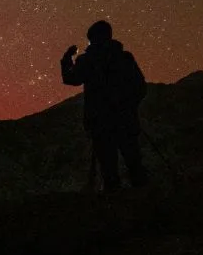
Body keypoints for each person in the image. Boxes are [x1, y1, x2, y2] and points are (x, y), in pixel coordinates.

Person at [61, 20, 148, 190]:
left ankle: (114, 209)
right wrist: (128, 106)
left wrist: (66, 59)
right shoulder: (124, 58)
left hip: (101, 123)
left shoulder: (87, 60)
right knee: (134, 164)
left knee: (109, 170)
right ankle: (147, 205)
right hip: (125, 120)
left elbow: (70, 79)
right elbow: (140, 87)